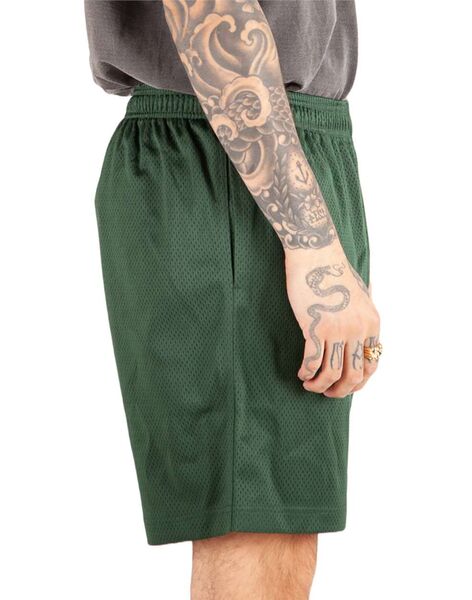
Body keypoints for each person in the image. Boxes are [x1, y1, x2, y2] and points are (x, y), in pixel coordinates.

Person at [85, 1, 382, 597]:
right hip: (235, 148)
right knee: (259, 531)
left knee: (279, 532)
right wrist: (313, 244)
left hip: (270, 147)